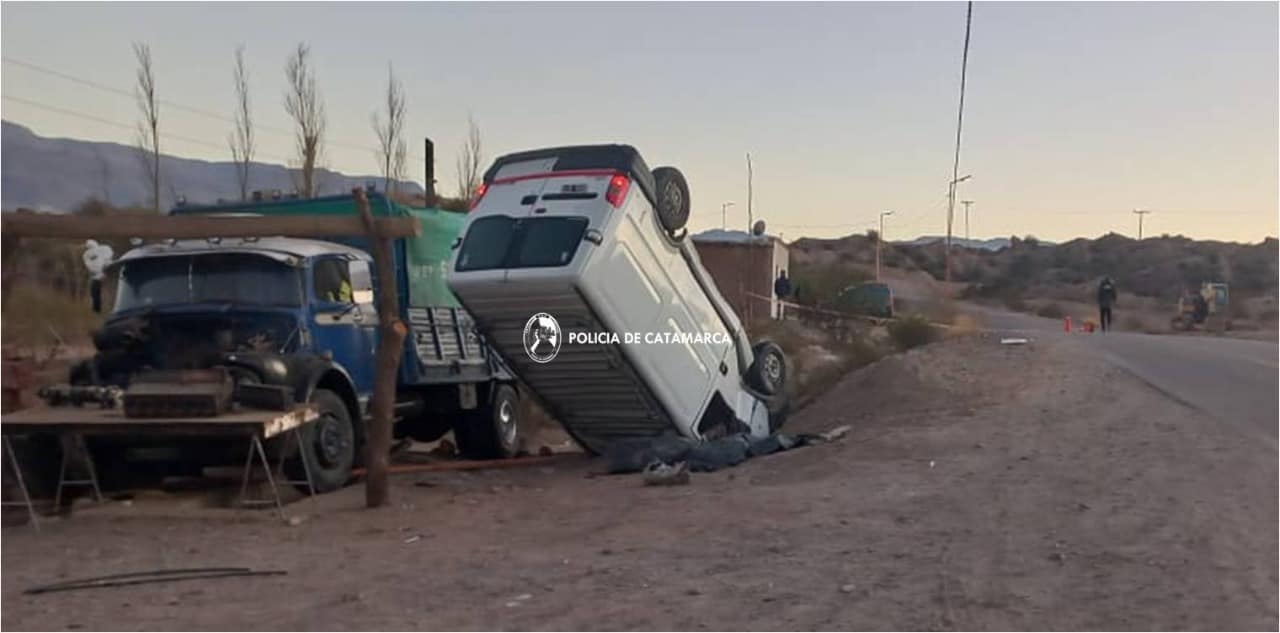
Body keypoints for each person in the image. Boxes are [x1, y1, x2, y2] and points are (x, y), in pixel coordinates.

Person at [82, 239, 113, 314]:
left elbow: (108, 261)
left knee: (101, 294)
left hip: (103, 276)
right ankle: (97, 311)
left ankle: (100, 310)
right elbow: (90, 266)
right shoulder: (87, 255)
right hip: (97, 277)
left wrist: (105, 271)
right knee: (95, 294)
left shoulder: (103, 251)